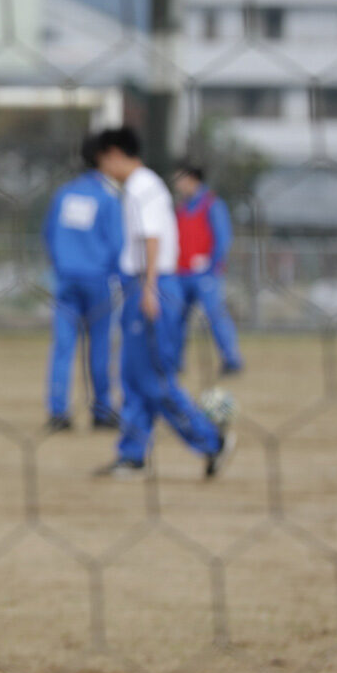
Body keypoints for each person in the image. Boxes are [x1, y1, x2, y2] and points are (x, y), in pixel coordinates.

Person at [91, 126, 235, 479]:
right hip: (140, 283)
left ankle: (211, 440)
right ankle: (132, 454)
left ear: (114, 154)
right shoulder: (137, 188)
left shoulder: (144, 187)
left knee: (156, 379)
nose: (102, 171)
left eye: (101, 162)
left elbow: (152, 237)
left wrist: (150, 289)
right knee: (132, 376)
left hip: (151, 284)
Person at [41, 135, 123, 431]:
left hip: (65, 280)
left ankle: (58, 412)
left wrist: (62, 263)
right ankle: (102, 411)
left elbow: (49, 235)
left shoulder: (63, 194)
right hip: (97, 281)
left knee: (62, 346)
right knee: (100, 347)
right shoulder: (107, 198)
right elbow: (117, 244)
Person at [171, 164, 244, 375]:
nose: (178, 185)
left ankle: (231, 359)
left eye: (180, 179)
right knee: (176, 319)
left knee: (216, 316)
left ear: (193, 179)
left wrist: (211, 266)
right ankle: (175, 362)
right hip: (180, 274)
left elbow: (223, 239)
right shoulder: (181, 208)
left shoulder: (212, 204)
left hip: (205, 275)